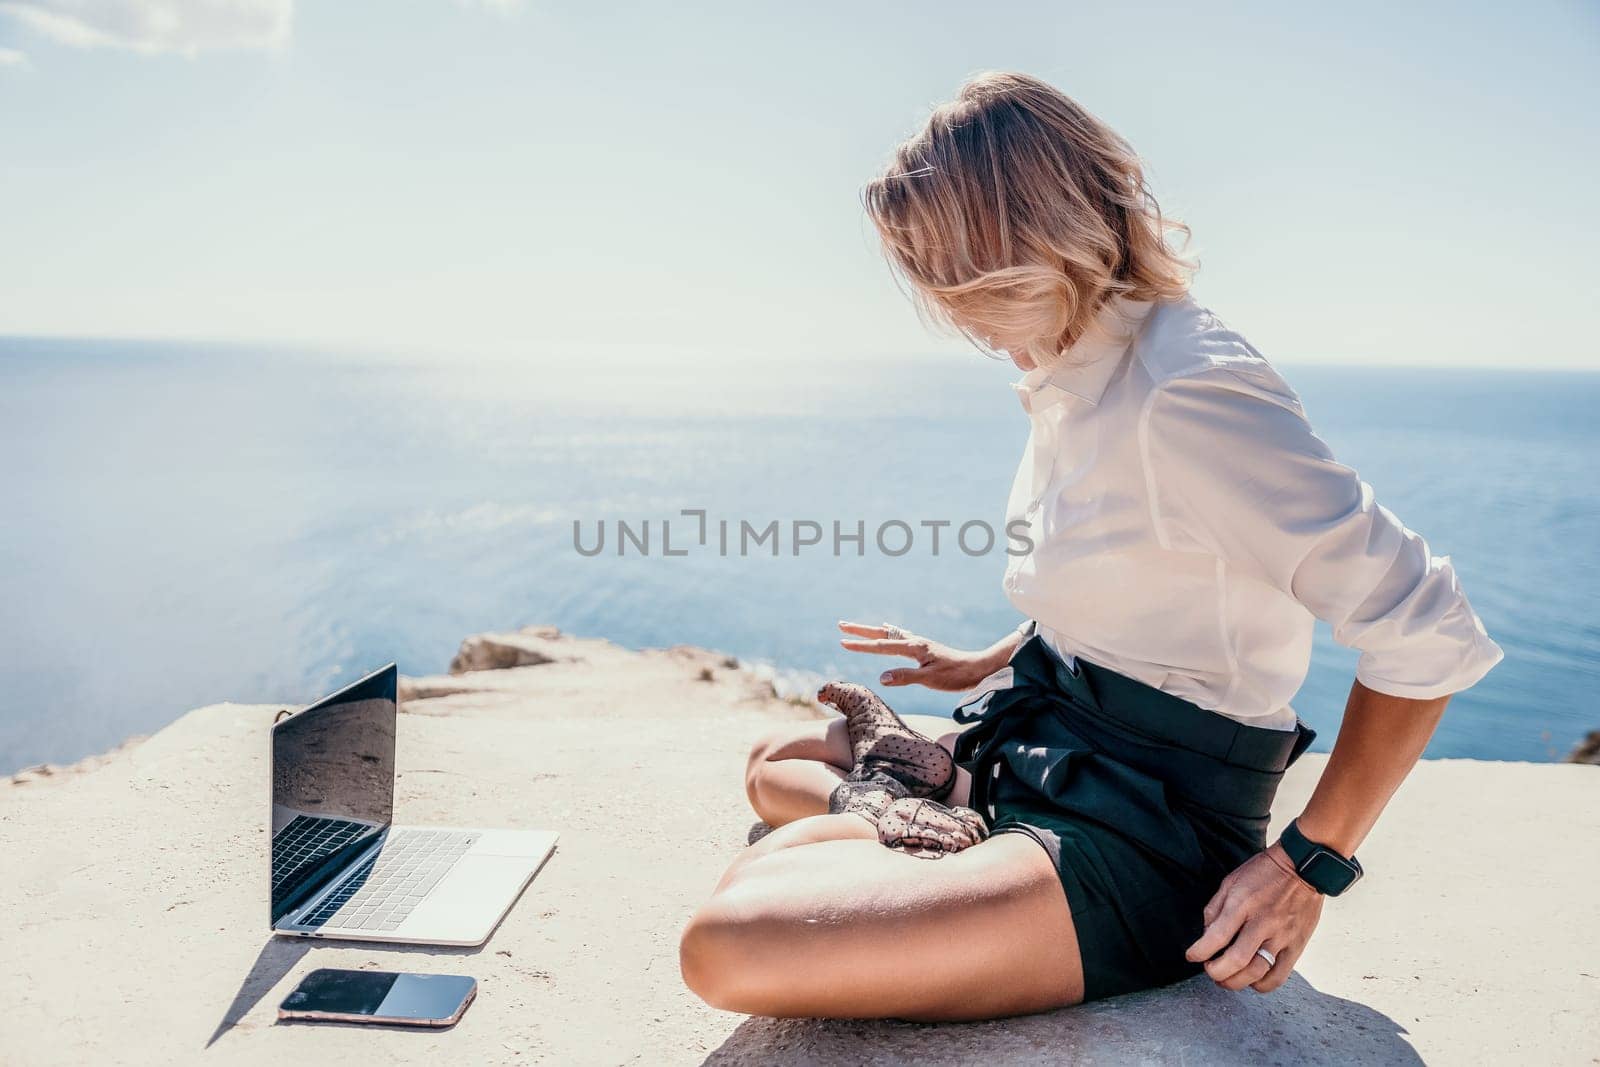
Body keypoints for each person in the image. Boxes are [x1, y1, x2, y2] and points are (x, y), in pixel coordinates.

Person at [677, 71, 1505, 1021]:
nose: (943, 302)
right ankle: (948, 821)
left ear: (1012, 244)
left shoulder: (1187, 392)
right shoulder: (1072, 362)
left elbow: (1430, 627)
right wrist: (979, 660)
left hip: (1149, 828)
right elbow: (1128, 579)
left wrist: (1307, 862)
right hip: (1048, 736)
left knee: (728, 944)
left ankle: (942, 830)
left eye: (943, 266)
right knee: (773, 759)